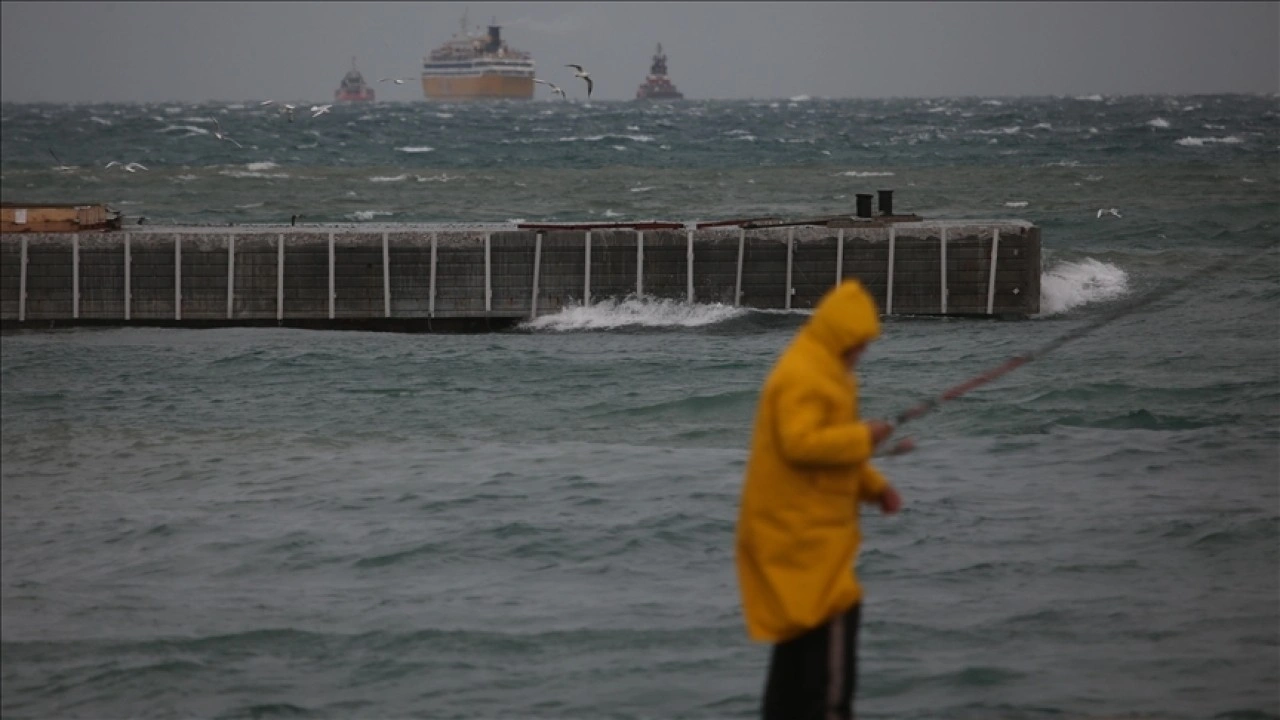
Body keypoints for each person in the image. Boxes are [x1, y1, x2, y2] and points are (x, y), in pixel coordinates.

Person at [735, 279, 913, 720]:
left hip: (796, 540)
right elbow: (802, 445)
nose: (862, 353)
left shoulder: (822, 368)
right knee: (826, 688)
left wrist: (875, 488)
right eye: (858, 344)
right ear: (841, 336)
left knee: (792, 677)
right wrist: (865, 435)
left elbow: (827, 457)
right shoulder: (806, 375)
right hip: (807, 548)